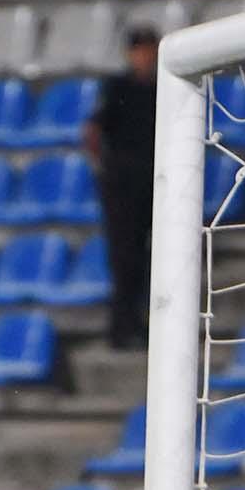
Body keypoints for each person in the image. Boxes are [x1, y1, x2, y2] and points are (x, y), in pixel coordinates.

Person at [86, 28, 159, 351]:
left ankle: (140, 325)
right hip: (121, 185)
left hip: (153, 182)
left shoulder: (163, 89)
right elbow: (93, 129)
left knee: (148, 258)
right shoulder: (117, 87)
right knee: (123, 258)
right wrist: (105, 167)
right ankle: (121, 327)